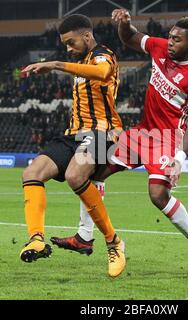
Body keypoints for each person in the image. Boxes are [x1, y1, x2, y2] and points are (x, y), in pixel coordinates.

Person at [52, 11, 188, 277]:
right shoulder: (160, 47)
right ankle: (84, 236)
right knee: (93, 172)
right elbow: (129, 39)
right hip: (141, 133)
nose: (171, 42)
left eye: (177, 39)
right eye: (170, 36)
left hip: (167, 139)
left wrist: (180, 159)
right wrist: (125, 24)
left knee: (158, 195)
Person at [19, 14, 126, 278]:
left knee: (75, 175)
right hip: (73, 134)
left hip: (102, 133)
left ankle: (114, 243)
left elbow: (102, 73)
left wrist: (56, 64)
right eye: (65, 45)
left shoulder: (104, 54)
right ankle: (36, 239)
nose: (68, 48)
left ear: (87, 36)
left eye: (71, 42)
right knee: (31, 173)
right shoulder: (80, 62)